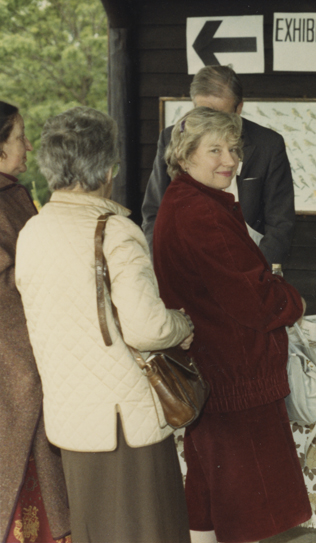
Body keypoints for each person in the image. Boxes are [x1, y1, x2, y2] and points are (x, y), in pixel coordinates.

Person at [14, 107, 194, 543]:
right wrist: (181, 323)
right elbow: (147, 327)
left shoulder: (33, 231)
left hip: (73, 421)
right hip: (126, 421)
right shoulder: (115, 231)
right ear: (107, 168)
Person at [152, 107, 311, 543]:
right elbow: (255, 297)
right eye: (215, 150)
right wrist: (291, 300)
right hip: (235, 375)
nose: (230, 159)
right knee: (249, 508)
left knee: (207, 491)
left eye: (234, 148)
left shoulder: (185, 201)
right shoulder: (201, 212)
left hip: (212, 371)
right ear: (184, 157)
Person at [0, 101, 71, 543]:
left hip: (30, 349)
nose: (28, 146)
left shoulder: (13, 192)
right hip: (14, 357)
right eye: (19, 136)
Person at [141, 64, 295, 266]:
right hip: (185, 264)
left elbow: (280, 224)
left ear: (238, 108)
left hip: (251, 261)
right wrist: (163, 266)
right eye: (202, 111)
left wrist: (255, 276)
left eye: (220, 115)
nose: (210, 122)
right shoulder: (172, 138)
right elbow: (154, 212)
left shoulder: (268, 145)